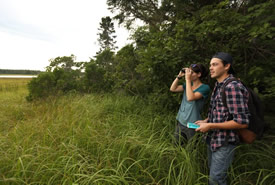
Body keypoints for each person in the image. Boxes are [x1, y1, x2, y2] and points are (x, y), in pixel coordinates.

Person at [195, 52, 250, 185]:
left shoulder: (232, 87)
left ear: (226, 66)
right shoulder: (219, 85)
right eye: (210, 65)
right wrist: (207, 120)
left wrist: (210, 126)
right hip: (212, 138)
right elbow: (222, 111)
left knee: (216, 180)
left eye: (215, 64)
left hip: (224, 142)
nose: (211, 68)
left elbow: (242, 122)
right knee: (214, 176)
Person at [170, 63, 210, 144]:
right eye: (189, 71)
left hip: (193, 124)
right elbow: (173, 89)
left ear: (199, 74)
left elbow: (190, 97)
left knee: (192, 149)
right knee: (176, 145)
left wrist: (187, 79)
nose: (189, 74)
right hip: (181, 121)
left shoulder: (205, 88)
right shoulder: (188, 85)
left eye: (192, 72)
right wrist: (179, 76)